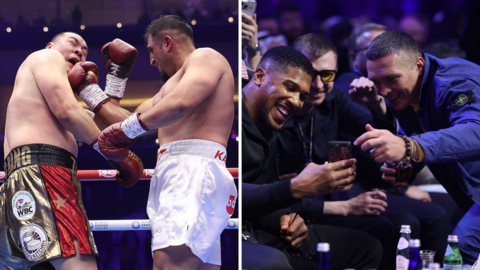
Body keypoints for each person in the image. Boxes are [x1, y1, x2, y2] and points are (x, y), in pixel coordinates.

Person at [91, 15, 236, 270]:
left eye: (151, 50)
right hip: (179, 174)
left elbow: (180, 105)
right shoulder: (171, 89)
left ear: (167, 42)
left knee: (167, 267)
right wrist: (94, 90)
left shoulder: (205, 57)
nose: (151, 60)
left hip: (191, 172)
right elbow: (126, 121)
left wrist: (127, 131)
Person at [1, 32, 142, 270]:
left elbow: (118, 130)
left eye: (85, 50)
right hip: (45, 175)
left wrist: (108, 86)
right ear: (50, 45)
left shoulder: (49, 105)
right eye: (73, 44)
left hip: (21, 185)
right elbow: (69, 112)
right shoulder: (47, 57)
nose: (79, 51)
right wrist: (113, 155)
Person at [242, 45, 382, 270]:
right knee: (274, 264)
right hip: (226, 232)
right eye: (290, 87)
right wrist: (293, 188)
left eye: (302, 96)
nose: (297, 102)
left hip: (259, 225)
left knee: (368, 246)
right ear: (259, 76)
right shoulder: (227, 113)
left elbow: (261, 192)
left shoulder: (271, 121)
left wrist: (287, 220)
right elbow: (226, 194)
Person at [355, 30, 480, 265]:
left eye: (391, 79)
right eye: (376, 81)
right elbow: (417, 145)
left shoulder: (455, 82)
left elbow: (477, 132)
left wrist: (409, 146)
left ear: (419, 65)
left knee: (465, 246)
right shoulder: (408, 93)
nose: (383, 91)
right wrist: (405, 167)